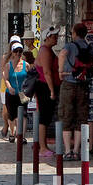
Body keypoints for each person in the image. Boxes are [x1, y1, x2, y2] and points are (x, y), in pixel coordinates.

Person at [58, 23, 93, 161]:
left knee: (66, 116)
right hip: (83, 84)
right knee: (81, 117)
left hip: (68, 82)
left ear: (74, 32)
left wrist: (60, 71)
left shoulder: (70, 45)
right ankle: (76, 150)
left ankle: (67, 151)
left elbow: (62, 54)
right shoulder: (88, 46)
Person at [34, 26, 60, 156]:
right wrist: (52, 91)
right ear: (47, 37)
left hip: (46, 86)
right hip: (44, 87)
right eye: (54, 36)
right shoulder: (45, 51)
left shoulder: (48, 50)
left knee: (46, 116)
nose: (57, 38)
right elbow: (47, 72)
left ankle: (43, 146)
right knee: (44, 117)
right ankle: (43, 147)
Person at [1, 39, 29, 139]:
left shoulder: (26, 65)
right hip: (11, 93)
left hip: (23, 93)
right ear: (12, 52)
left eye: (20, 51)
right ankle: (12, 133)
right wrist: (9, 87)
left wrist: (29, 89)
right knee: (12, 115)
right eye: (16, 51)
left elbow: (30, 78)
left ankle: (22, 136)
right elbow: (6, 79)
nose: (18, 53)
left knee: (24, 115)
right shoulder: (8, 66)